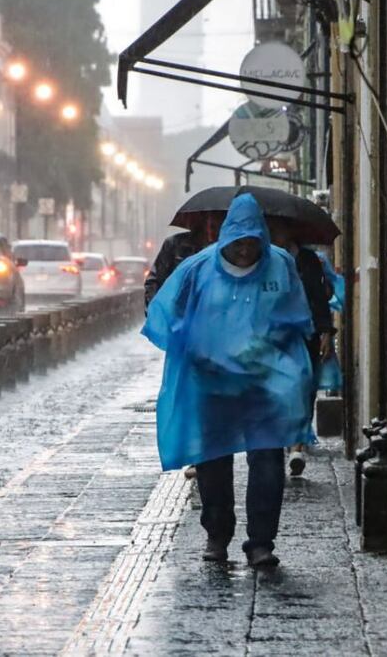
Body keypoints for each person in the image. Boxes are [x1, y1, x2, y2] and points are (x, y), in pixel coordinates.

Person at [142, 194, 316, 567]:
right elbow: (166, 312)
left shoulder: (281, 266)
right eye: (238, 244)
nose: (245, 251)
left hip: (262, 383)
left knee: (268, 460)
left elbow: (296, 317)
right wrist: (191, 344)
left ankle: (261, 542)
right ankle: (217, 536)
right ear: (226, 238)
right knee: (213, 462)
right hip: (212, 382)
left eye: (253, 243)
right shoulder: (197, 269)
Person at [144, 213, 223, 481]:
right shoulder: (176, 246)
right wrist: (162, 317)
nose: (212, 229)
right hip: (185, 333)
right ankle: (197, 454)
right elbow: (154, 281)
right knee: (189, 394)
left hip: (219, 336)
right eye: (209, 224)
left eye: (218, 224)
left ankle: (208, 453)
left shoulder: (231, 248)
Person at [265, 220, 336, 477]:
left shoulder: (307, 260)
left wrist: (326, 331)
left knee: (305, 387)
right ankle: (285, 438)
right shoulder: (264, 258)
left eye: (280, 230)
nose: (276, 234)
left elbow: (318, 298)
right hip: (273, 338)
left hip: (306, 334)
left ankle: (297, 446)